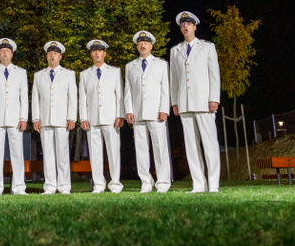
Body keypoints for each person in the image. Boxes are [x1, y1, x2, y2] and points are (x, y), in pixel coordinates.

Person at [170, 11, 221, 193]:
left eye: (188, 24)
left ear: (194, 27)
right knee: (191, 146)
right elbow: (174, 79)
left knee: (210, 144)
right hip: (185, 104)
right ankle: (198, 184)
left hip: (204, 102)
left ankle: (213, 184)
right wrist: (175, 102)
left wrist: (214, 98)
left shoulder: (207, 47)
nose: (185, 27)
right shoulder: (175, 51)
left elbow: (214, 74)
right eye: (183, 25)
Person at [124, 30, 171, 193]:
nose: (142, 45)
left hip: (156, 113)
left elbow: (165, 89)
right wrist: (128, 110)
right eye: (140, 43)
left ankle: (163, 182)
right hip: (138, 113)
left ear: (151, 46)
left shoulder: (161, 64)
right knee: (141, 150)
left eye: (145, 43)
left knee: (160, 149)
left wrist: (164, 109)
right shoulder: (130, 66)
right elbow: (128, 90)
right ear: (137, 47)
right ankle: (146, 182)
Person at [0, 38, 29, 196]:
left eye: (7, 51)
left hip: (15, 119)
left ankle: (19, 187)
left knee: (17, 154)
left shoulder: (21, 73)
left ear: (12, 54)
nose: (5, 53)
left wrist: (23, 118)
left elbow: (24, 98)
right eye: (2, 51)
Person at [79, 39, 124, 194]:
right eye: (94, 51)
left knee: (113, 152)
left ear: (104, 53)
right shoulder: (85, 74)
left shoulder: (114, 72)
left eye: (99, 51)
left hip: (111, 118)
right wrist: (83, 118)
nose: (97, 53)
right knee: (95, 153)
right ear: (91, 54)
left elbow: (119, 95)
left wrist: (120, 115)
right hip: (92, 119)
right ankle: (98, 184)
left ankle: (115, 183)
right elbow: (83, 98)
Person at [32, 41, 77, 195]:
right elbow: (35, 98)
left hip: (62, 120)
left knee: (63, 154)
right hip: (45, 120)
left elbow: (72, 98)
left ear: (60, 57)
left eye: (55, 53)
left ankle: (64, 186)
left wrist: (72, 118)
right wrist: (35, 118)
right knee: (48, 154)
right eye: (50, 53)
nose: (52, 55)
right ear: (46, 56)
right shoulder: (38, 75)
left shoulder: (69, 74)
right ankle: (50, 186)